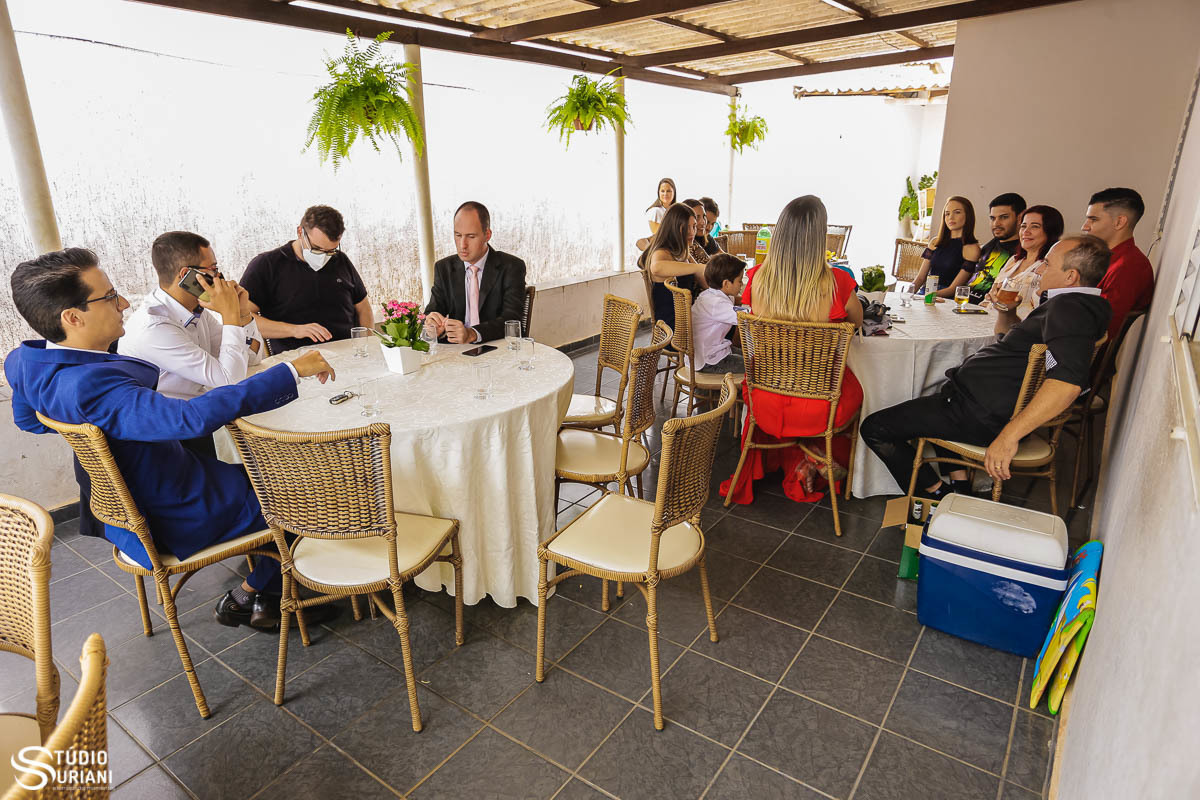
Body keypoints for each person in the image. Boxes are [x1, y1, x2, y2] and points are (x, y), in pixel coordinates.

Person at [4, 248, 338, 631]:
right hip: (172, 512)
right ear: (72, 317)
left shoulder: (24, 362)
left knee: (271, 472)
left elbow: (29, 421)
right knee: (308, 491)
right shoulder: (93, 385)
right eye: (110, 297)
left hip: (133, 498)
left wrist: (91, 427)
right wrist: (290, 371)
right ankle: (255, 595)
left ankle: (267, 576)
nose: (124, 303)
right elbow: (189, 419)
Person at [860, 234, 1113, 499]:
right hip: (974, 403)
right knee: (935, 394)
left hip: (979, 415)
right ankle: (960, 486)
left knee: (876, 428)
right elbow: (1011, 342)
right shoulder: (1078, 306)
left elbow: (1067, 384)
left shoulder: (1071, 309)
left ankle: (937, 496)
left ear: (1071, 276)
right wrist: (1007, 312)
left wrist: (1008, 436)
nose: (1039, 270)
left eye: (1047, 264)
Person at [720, 196, 864, 505]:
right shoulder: (839, 282)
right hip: (821, 403)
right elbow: (856, 323)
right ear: (819, 237)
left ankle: (801, 457)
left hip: (766, 397)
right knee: (857, 388)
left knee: (780, 386)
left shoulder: (757, 278)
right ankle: (816, 454)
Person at [118, 231, 264, 458]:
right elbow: (230, 382)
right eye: (213, 270)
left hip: (195, 418)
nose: (219, 278)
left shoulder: (194, 309)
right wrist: (229, 314)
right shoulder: (155, 327)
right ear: (187, 275)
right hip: (169, 439)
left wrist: (243, 313)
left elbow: (252, 359)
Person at [240, 205, 373, 354]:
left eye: (330, 251)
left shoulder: (341, 260)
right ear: (300, 232)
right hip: (296, 360)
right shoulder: (266, 265)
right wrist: (294, 330)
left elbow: (363, 308)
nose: (324, 256)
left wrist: (366, 345)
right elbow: (242, 319)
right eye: (316, 248)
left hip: (348, 354)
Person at [424, 201, 527, 344]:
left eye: (471, 236)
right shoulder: (443, 268)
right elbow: (431, 312)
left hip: (498, 347)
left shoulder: (512, 266)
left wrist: (472, 334)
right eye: (458, 235)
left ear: (487, 235)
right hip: (456, 350)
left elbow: (512, 320)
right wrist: (431, 326)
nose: (462, 245)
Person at [1082, 187, 1155, 341]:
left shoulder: (1129, 266)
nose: (1085, 227)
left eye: (1093, 219)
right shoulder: (1105, 258)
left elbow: (1104, 332)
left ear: (1119, 222)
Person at [984, 205, 1065, 318]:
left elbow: (1039, 311)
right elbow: (989, 299)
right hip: (988, 318)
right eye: (1023, 226)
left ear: (1050, 231)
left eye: (1035, 226)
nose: (1026, 232)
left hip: (1017, 325)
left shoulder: (1048, 267)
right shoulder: (1014, 259)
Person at [637, 203, 707, 332]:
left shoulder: (682, 251)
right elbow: (656, 268)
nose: (692, 232)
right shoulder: (662, 252)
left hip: (687, 317)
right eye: (686, 228)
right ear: (674, 228)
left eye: (693, 226)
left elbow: (704, 282)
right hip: (673, 328)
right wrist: (697, 268)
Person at [910, 196, 981, 298]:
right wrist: (907, 294)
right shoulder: (935, 242)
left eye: (957, 212)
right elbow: (920, 278)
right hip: (925, 293)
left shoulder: (972, 249)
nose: (951, 217)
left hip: (945, 299)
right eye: (947, 214)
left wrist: (926, 297)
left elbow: (953, 290)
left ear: (968, 215)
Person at [966, 193, 1026, 303]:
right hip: (960, 303)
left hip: (986, 308)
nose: (996, 224)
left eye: (1004, 217)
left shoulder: (1023, 251)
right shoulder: (989, 245)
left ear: (1020, 218)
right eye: (992, 218)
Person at [691, 254, 746, 374]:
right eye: (740, 281)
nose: (742, 284)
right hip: (709, 360)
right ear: (726, 284)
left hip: (709, 351)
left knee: (752, 356)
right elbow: (745, 319)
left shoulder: (711, 294)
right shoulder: (717, 303)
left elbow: (736, 303)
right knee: (756, 365)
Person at [683, 198, 723, 262]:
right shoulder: (686, 241)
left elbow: (724, 258)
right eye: (697, 217)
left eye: (704, 217)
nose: (709, 227)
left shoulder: (706, 237)